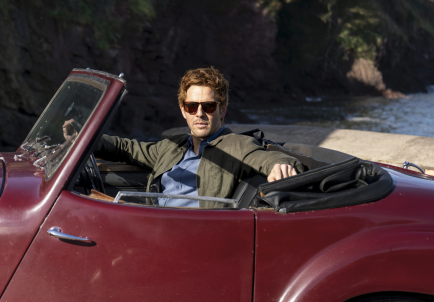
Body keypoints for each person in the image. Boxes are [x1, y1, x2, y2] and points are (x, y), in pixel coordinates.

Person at [94, 67, 304, 208]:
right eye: (192, 106)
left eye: (209, 106)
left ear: (222, 110)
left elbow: (265, 158)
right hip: (154, 225)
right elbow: (126, 148)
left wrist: (280, 165)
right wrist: (86, 138)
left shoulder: (235, 146)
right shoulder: (172, 147)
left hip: (194, 235)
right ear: (183, 110)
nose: (200, 113)